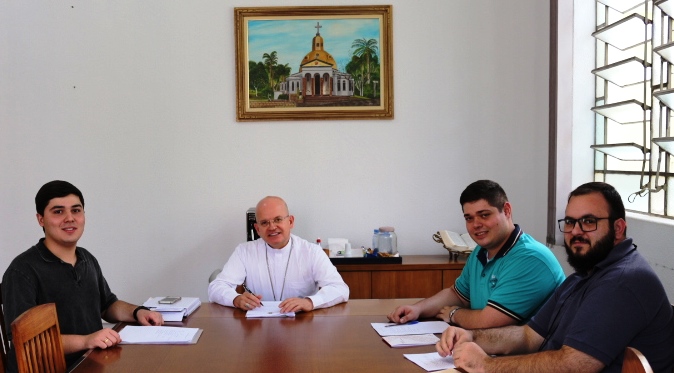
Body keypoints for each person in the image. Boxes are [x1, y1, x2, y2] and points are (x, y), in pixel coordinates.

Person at [436, 182, 674, 372]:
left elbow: (573, 365)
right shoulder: (585, 275)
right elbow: (529, 336)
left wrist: (486, 366)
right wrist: (471, 336)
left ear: (618, 228)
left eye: (589, 221)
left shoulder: (622, 281)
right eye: (570, 222)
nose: (576, 231)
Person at [1, 180, 164, 372]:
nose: (70, 218)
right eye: (58, 211)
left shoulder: (87, 259)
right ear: (40, 219)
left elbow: (107, 305)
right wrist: (86, 341)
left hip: (90, 362)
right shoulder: (22, 271)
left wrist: (138, 312)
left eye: (76, 210)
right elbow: (28, 343)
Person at [388, 180, 565, 329]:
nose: (476, 224)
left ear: (507, 211)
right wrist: (417, 309)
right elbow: (457, 295)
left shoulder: (530, 259)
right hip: (492, 350)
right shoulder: (481, 252)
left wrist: (453, 313)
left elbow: (489, 322)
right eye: (469, 218)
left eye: (484, 215)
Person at [208, 196, 349, 313]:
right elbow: (216, 287)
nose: (272, 227)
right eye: (264, 223)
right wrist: (236, 299)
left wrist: (310, 302)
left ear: (291, 221)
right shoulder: (244, 251)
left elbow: (340, 289)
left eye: (278, 219)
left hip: (302, 327)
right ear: (257, 229)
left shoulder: (312, 252)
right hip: (259, 327)